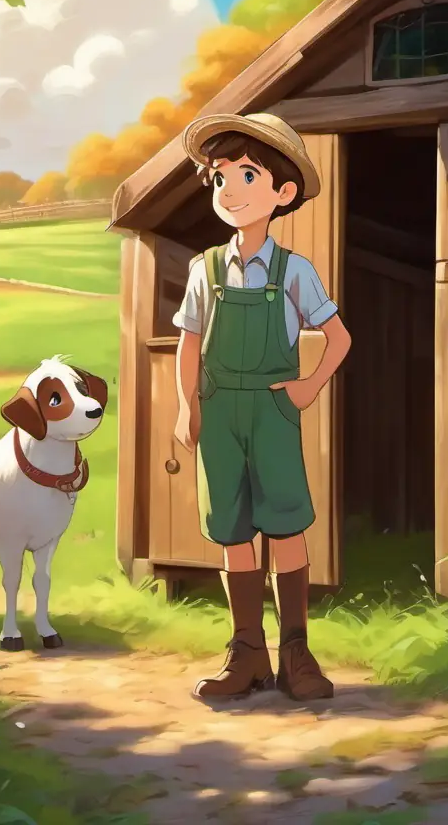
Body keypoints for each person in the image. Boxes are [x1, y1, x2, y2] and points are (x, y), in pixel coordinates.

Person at [172, 111, 351, 703]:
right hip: (220, 410)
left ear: (282, 192)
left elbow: (339, 338)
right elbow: (190, 341)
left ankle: (295, 654)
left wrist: (309, 386)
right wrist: (185, 406)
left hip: (274, 411)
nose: (231, 191)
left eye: (247, 176)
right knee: (233, 527)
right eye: (221, 178)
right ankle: (246, 653)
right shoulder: (204, 270)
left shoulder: (294, 271)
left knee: (286, 524)